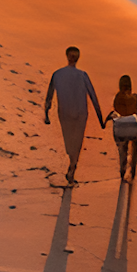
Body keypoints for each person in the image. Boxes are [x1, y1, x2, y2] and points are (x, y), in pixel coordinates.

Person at [43, 46, 104, 183]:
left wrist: (46, 113)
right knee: (75, 142)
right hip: (77, 113)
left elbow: (49, 96)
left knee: (70, 141)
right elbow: (93, 97)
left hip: (67, 113)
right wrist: (101, 119)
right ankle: (72, 167)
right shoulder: (80, 75)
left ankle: (72, 167)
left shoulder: (59, 74)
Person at [110, 74, 137, 183]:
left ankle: (123, 168)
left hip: (121, 129)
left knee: (123, 147)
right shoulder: (135, 98)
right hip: (133, 128)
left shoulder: (117, 98)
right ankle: (133, 168)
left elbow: (116, 112)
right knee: (135, 145)